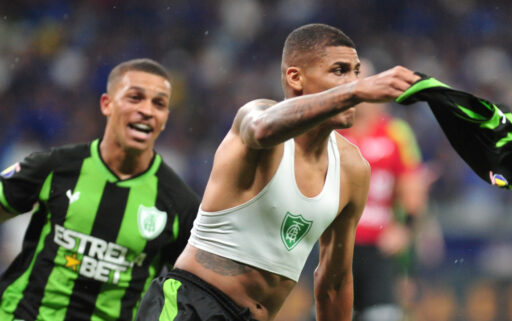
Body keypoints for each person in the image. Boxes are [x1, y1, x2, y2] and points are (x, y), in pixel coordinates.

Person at [136, 23, 420, 321]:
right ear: (295, 77)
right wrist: (353, 91)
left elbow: (334, 284)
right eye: (340, 71)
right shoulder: (256, 117)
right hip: (190, 306)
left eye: (356, 72)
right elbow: (261, 129)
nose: (353, 83)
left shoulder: (353, 169)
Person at [0, 58, 201, 321]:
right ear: (107, 104)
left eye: (159, 103)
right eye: (135, 97)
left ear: (164, 119)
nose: (147, 110)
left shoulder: (179, 203)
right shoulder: (56, 167)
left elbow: (200, 288)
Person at [338, 59, 435, 321]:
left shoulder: (395, 133)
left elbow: (412, 191)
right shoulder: (331, 132)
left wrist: (405, 230)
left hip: (378, 249)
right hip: (335, 247)